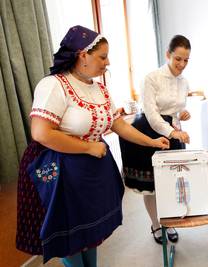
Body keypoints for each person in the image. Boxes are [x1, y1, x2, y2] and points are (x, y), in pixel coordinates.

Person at [16, 25, 169, 266]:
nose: (107, 62)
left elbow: (119, 125)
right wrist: (88, 147)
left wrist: (150, 141)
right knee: (70, 232)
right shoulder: (54, 85)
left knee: (89, 234)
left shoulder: (99, 89)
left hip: (90, 170)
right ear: (82, 55)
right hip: (61, 168)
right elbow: (41, 133)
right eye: (102, 56)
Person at [118, 35, 191, 244]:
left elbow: (174, 110)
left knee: (171, 183)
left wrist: (181, 115)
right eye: (178, 59)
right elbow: (152, 115)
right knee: (152, 186)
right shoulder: (151, 78)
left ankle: (170, 222)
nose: (182, 64)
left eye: (186, 60)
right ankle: (156, 224)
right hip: (147, 132)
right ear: (168, 54)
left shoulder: (184, 81)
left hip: (172, 133)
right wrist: (173, 131)